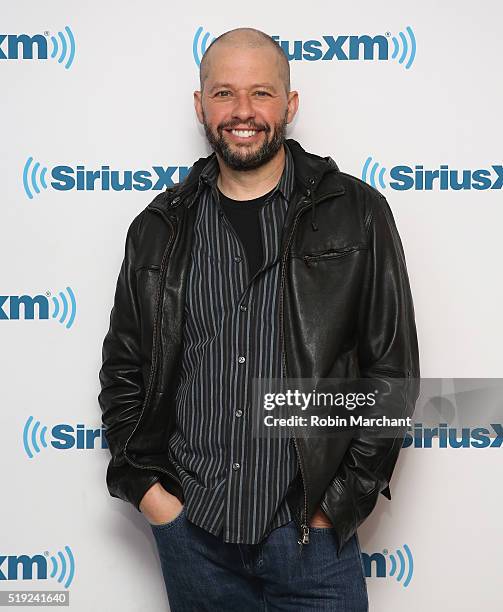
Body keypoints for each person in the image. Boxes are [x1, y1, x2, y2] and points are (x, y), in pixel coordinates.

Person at [98, 26, 420, 611]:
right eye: (223, 93)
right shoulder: (157, 229)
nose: (242, 112)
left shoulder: (357, 213)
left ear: (290, 104)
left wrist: (336, 505)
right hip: (193, 535)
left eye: (262, 93)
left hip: (310, 541)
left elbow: (391, 373)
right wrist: (152, 497)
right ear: (200, 105)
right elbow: (124, 369)